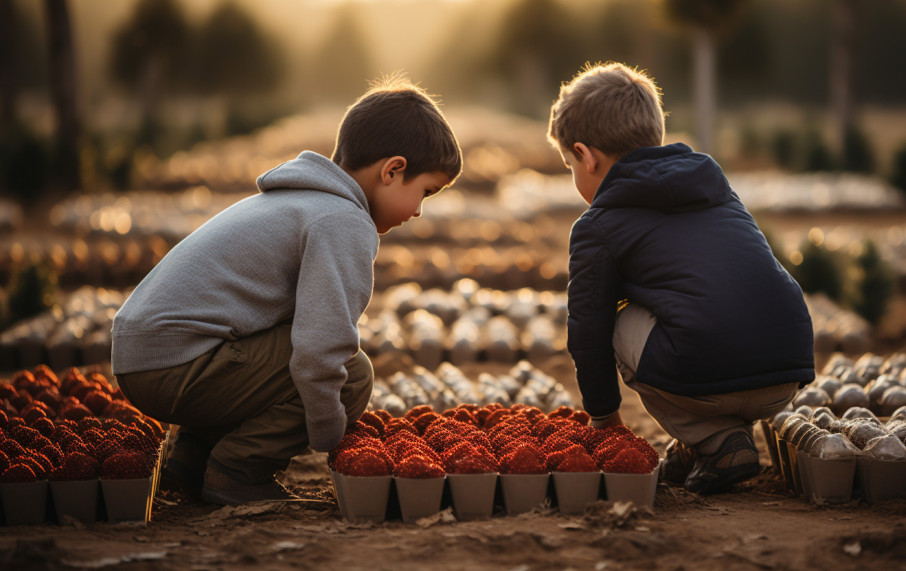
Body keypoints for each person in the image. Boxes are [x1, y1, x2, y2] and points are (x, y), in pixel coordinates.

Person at [111, 78, 463, 505]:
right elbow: (321, 347)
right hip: (177, 367)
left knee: (270, 347)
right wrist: (332, 434)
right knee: (352, 376)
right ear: (392, 170)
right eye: (424, 191)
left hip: (145, 358)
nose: (420, 210)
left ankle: (192, 459)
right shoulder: (342, 220)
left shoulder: (296, 200)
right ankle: (237, 470)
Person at [547, 62, 814, 494]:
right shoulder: (713, 184)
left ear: (587, 156)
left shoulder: (599, 224)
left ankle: (716, 440)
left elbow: (587, 332)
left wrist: (605, 422)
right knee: (692, 304)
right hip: (787, 368)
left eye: (568, 165)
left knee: (612, 316)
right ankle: (700, 439)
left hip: (709, 373)